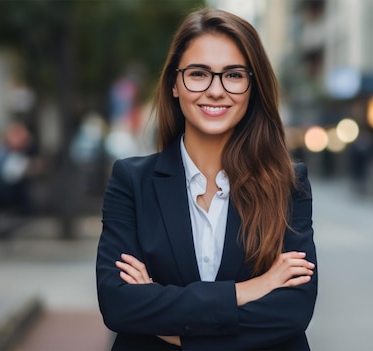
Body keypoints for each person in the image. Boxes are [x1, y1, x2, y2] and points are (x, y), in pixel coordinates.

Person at [96, 7, 317, 350]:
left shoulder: (288, 184)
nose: (216, 90)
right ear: (174, 84)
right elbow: (119, 305)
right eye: (199, 74)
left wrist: (169, 325)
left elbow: (291, 312)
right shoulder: (132, 181)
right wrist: (247, 290)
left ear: (252, 88)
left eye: (233, 75)